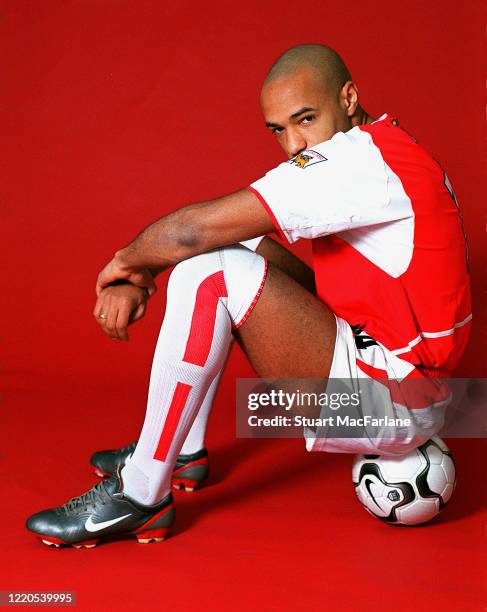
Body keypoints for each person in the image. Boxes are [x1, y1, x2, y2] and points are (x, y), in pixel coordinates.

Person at [26, 44, 471, 548]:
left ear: (349, 97)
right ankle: (184, 451)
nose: (294, 144)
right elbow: (220, 229)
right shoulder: (384, 149)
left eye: (305, 119)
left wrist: (128, 266)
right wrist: (147, 262)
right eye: (279, 129)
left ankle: (139, 496)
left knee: (210, 269)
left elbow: (192, 232)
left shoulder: (360, 164)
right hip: (394, 371)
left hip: (393, 402)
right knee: (236, 244)